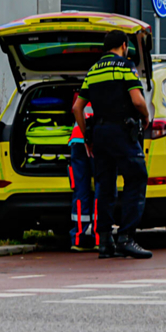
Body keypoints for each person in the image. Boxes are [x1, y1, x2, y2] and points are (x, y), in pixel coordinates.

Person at [71, 30, 152, 259]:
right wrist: (145, 117)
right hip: (122, 132)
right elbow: (137, 100)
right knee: (136, 178)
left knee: (104, 188)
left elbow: (78, 108)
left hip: (100, 134)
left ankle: (105, 242)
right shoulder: (126, 66)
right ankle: (127, 238)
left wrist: (88, 136)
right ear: (124, 46)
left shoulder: (93, 70)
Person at [67, 95, 96, 252]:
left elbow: (76, 109)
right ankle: (100, 237)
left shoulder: (83, 91)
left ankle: (79, 238)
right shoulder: (108, 89)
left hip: (77, 140)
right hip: (96, 139)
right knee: (101, 188)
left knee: (80, 190)